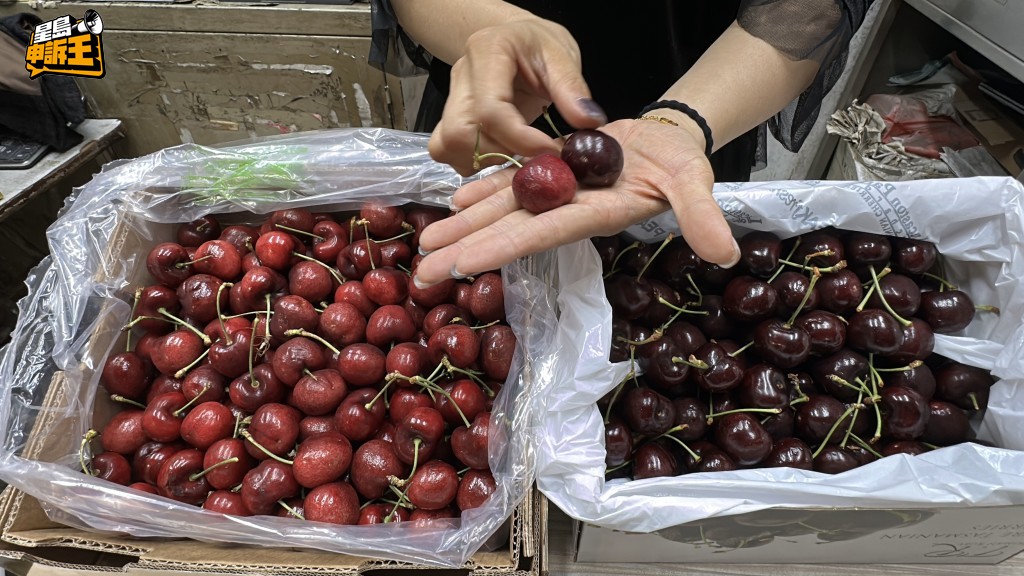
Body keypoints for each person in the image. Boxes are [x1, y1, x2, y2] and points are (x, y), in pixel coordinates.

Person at [368, 0, 875, 288]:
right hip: (499, 100)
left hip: (706, 96)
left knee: (658, 293)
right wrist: (508, 33)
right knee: (468, 278)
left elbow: (807, 6)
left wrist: (681, 121)